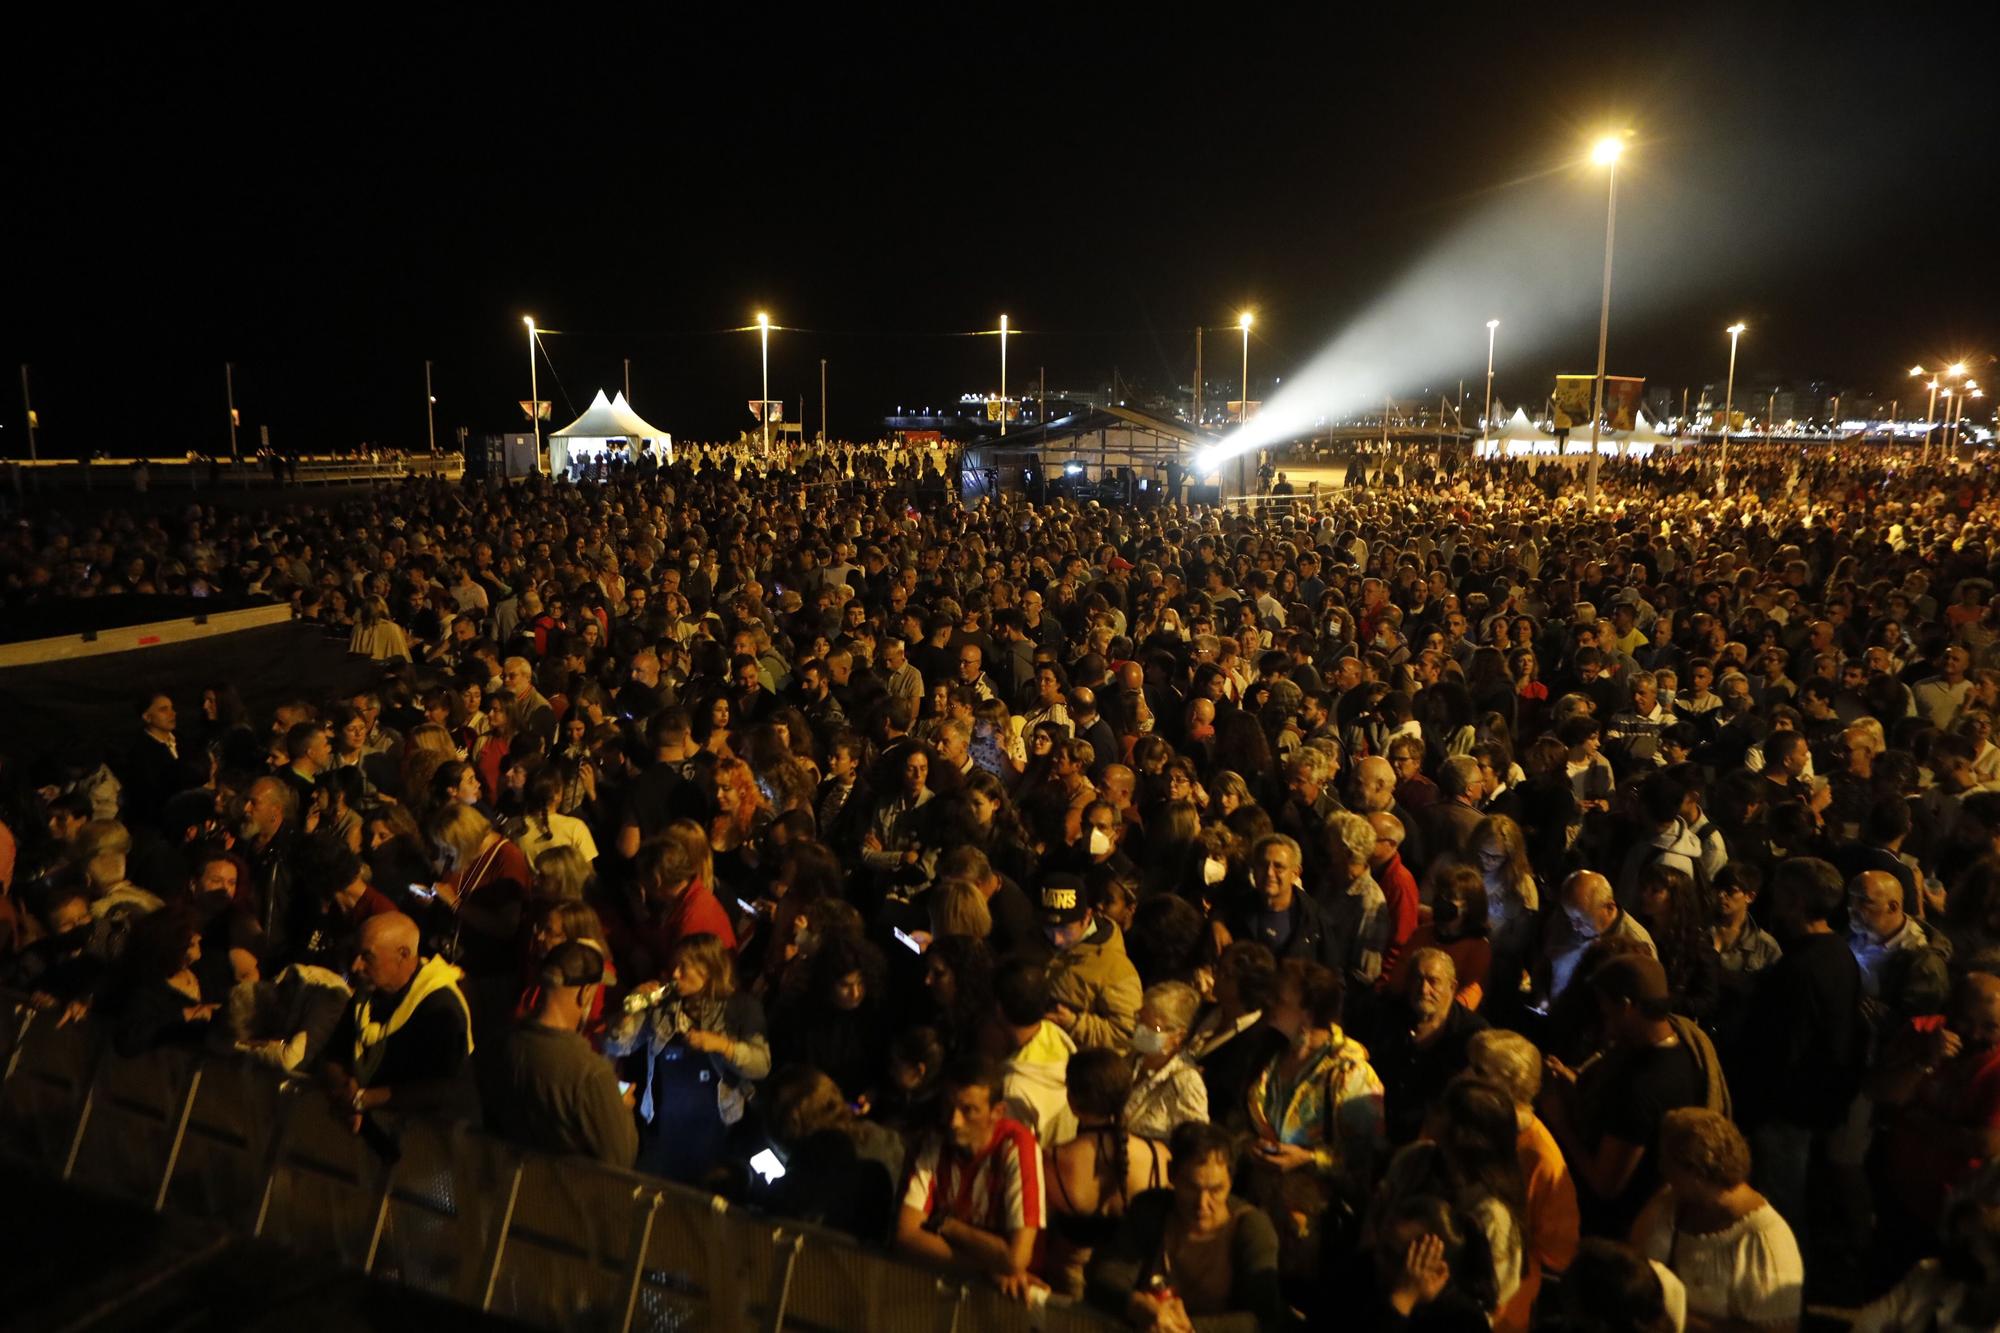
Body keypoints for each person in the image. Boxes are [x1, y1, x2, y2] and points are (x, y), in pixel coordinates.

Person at [1539, 954, 1729, 1238]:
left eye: (1606, 1012)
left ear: (1627, 1006)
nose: (1604, 1023)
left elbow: (1605, 1184)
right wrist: (1578, 1085)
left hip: (1619, 1226)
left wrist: (1560, 1121)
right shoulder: (1682, 1050)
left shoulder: (1643, 1087)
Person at [1243, 958, 1385, 1288]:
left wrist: (1308, 1158)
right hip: (1261, 1217)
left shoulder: (1350, 1074)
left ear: (1307, 1014)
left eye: (1280, 999)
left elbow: (1366, 1161)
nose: (1270, 1004)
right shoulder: (1272, 1054)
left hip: (1312, 1232)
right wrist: (1248, 1144)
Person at [1086, 1120, 1288, 1333]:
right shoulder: (1151, 1211)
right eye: (1191, 1187)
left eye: (1216, 1190)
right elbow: (1105, 1277)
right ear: (1171, 1174)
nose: (1202, 1203)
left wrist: (1188, 1327)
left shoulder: (1251, 1228)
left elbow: (1262, 1318)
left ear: (1231, 1181)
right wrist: (1138, 1306)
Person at [602, 932, 769, 1184]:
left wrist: (722, 1045)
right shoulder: (665, 1005)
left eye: (684, 967)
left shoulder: (741, 1008)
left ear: (709, 970)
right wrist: (630, 1009)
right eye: (674, 966)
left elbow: (761, 1065)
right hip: (665, 1129)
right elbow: (617, 1047)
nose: (675, 974)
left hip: (719, 1131)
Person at [1631, 1108, 1804, 1332]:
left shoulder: (1765, 1239)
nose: (1663, 1171)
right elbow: (1634, 1266)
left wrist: (1680, 1320)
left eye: (1667, 1162)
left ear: (1694, 1170)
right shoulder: (1672, 1206)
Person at [895, 1054, 1046, 1302]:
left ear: (997, 1112)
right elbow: (906, 1237)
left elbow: (1016, 1258)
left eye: (969, 1111)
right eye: (949, 1107)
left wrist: (946, 1225)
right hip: (964, 1286)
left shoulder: (1017, 1146)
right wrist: (987, 1270)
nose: (954, 1121)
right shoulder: (935, 1141)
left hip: (1011, 1298)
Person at [1466, 1029, 1580, 1333]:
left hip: (1503, 1307)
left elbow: (1559, 1250)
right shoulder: (1466, 1123)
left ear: (1509, 1083)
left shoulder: (1541, 1156)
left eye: (1478, 1070)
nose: (1465, 1075)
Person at [321, 912, 477, 1131]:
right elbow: (334, 1054)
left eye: (367, 956)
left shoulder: (441, 1007)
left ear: (403, 954)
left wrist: (365, 1099)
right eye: (356, 954)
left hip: (426, 1138)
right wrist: (343, 1089)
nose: (355, 966)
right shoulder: (366, 995)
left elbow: (442, 1089)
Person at [490, 941, 638, 1167]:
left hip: (505, 1183)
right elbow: (620, 1159)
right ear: (585, 993)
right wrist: (620, 1109)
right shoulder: (590, 1073)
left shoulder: (501, 1043)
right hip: (559, 1196)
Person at [1043, 1047, 1172, 1298]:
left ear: (1072, 1100)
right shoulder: (1159, 1156)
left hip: (1070, 1291)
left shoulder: (1054, 1159)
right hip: (1131, 1291)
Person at [1366, 947, 1490, 1146]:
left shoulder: (1473, 1035)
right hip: (1377, 1129)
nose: (1423, 989)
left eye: (1433, 981)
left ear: (1452, 986)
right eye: (1417, 979)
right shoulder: (1384, 1014)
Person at [1042, 874, 1144, 1051]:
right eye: (1050, 928)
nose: (1057, 939)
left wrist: (1074, 1023)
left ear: (1087, 917)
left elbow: (1126, 1033)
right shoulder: (1036, 939)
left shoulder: (1115, 967)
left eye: (1065, 929)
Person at [1123, 980, 1209, 1142]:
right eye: (1139, 1018)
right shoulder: (1131, 1059)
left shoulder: (1186, 1082)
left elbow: (1195, 1147)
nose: (1140, 1028)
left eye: (1152, 1027)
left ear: (1178, 1037)